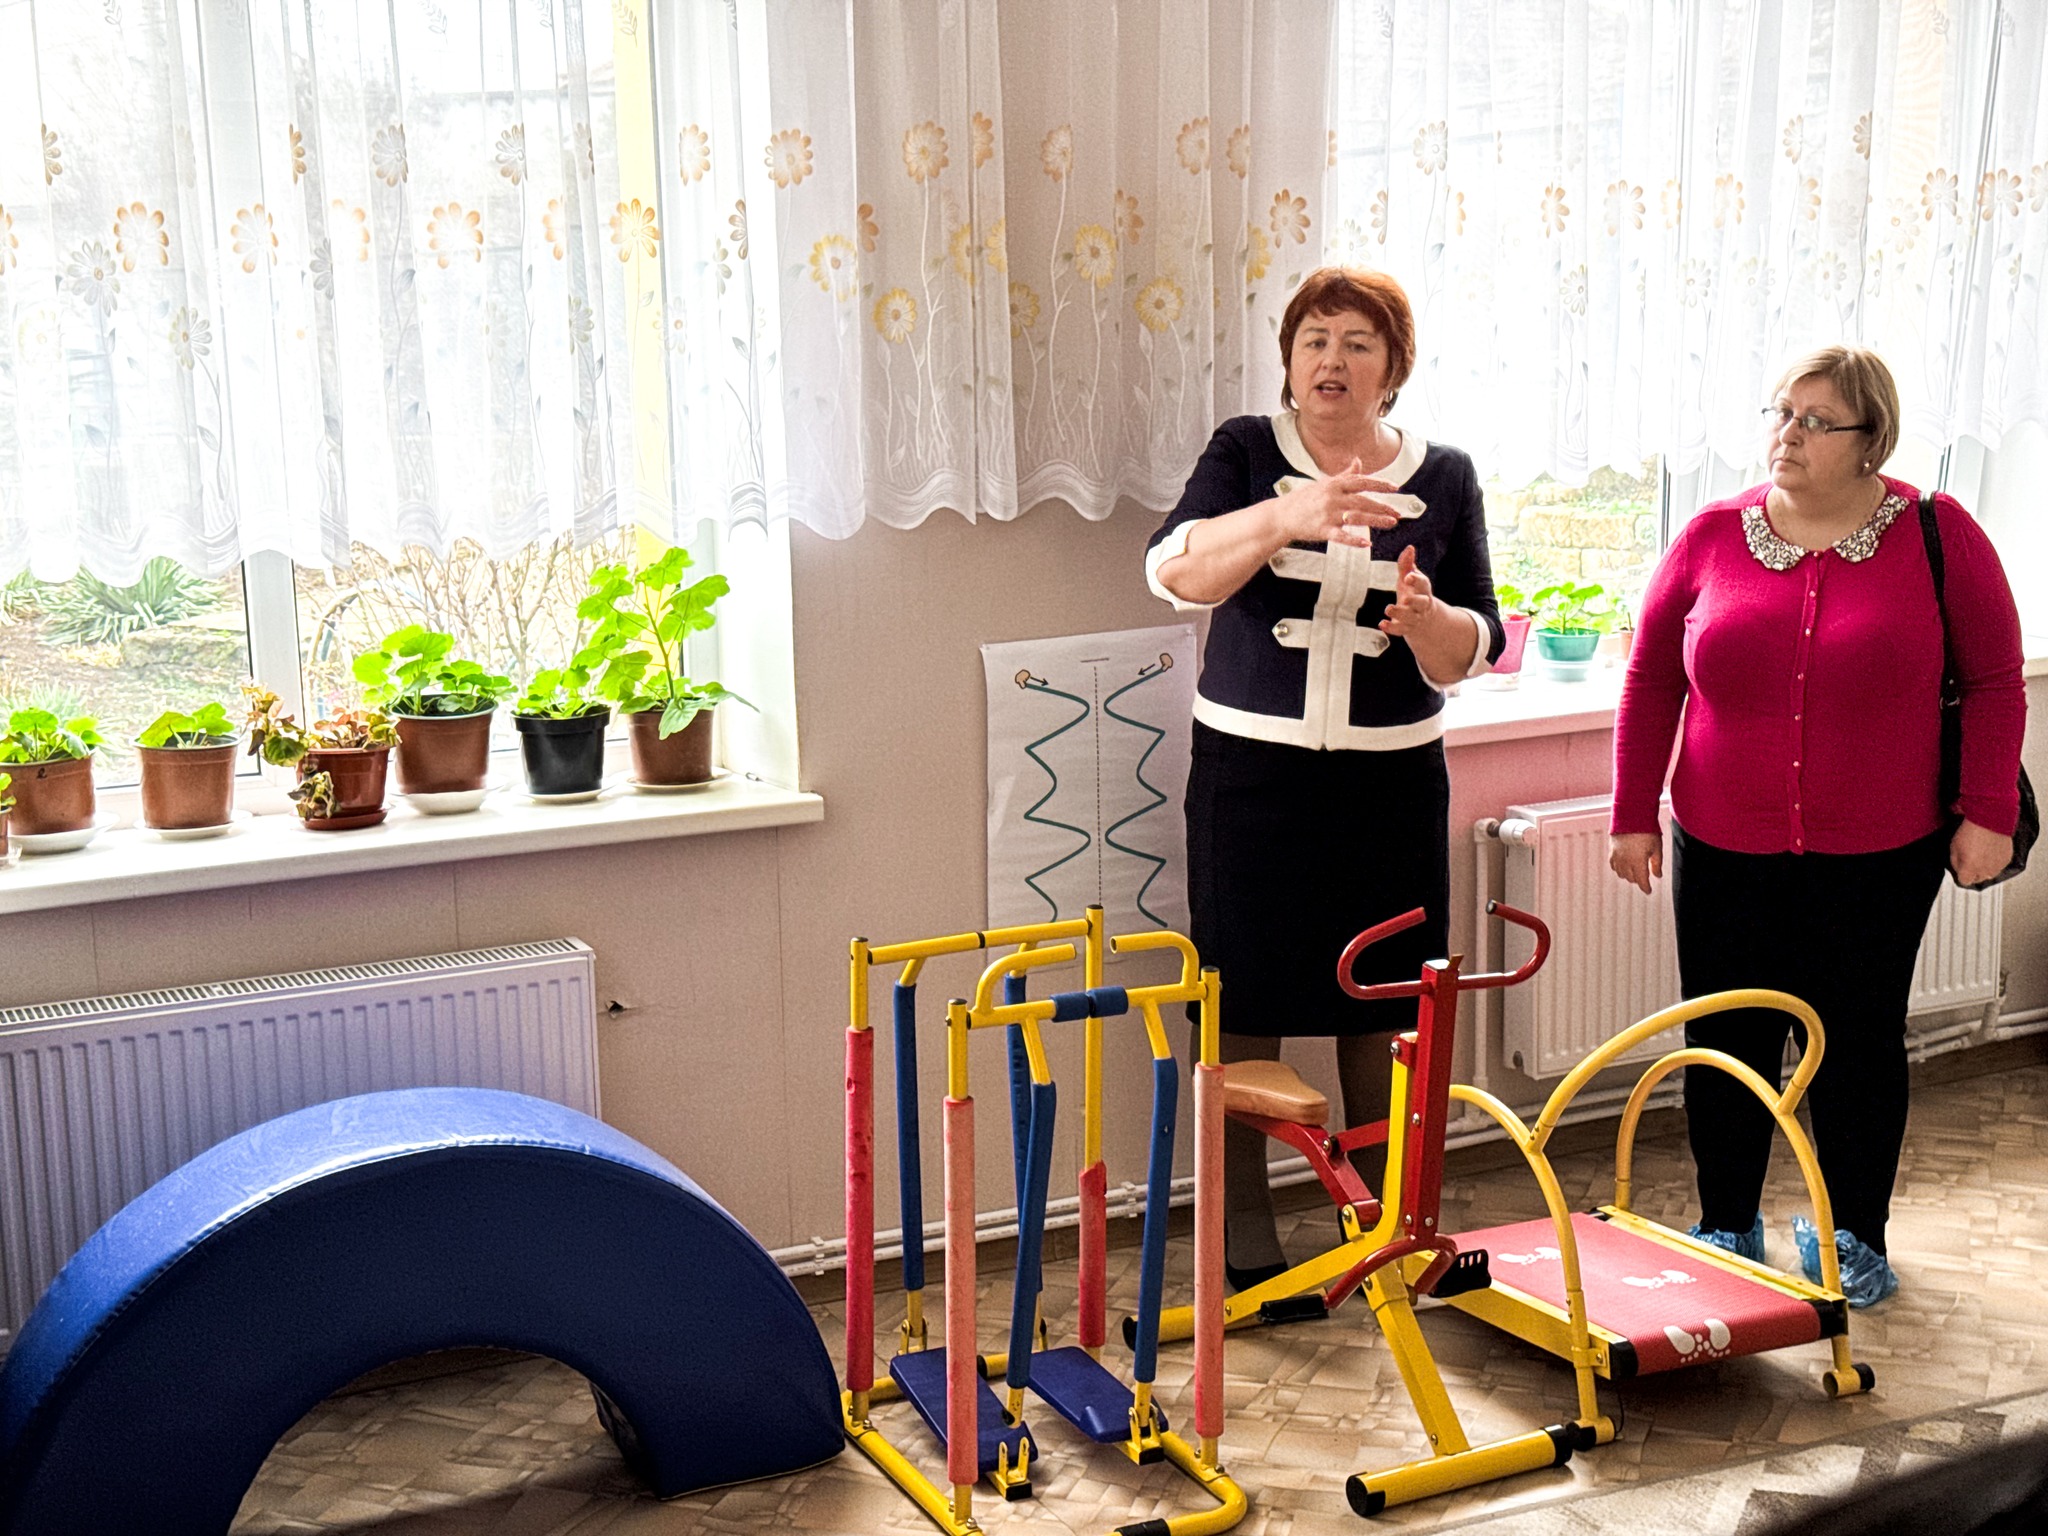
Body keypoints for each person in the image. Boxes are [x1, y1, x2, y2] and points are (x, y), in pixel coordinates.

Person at [1609, 345, 2026, 1307]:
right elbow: (1651, 678)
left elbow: (1998, 683)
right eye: (1781, 413)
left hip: (1881, 852)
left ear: (1870, 438)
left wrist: (1988, 814)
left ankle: (1854, 1235)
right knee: (1726, 1040)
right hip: (1722, 843)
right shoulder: (1713, 534)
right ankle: (1726, 1223)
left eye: (1814, 420)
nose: (1786, 435)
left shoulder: (1938, 533)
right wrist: (1632, 813)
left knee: (1857, 1043)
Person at [1146, 267, 1505, 1289]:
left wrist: (1430, 623)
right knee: (1239, 998)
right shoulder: (1245, 450)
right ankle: (1241, 1237)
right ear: (1289, 359)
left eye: (1355, 342)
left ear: (1392, 367)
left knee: (1386, 1008)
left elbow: (1474, 642)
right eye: (1313, 339)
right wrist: (1286, 516)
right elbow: (1173, 570)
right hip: (1249, 778)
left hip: (1391, 786)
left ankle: (1388, 1233)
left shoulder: (1447, 475)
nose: (1330, 360)